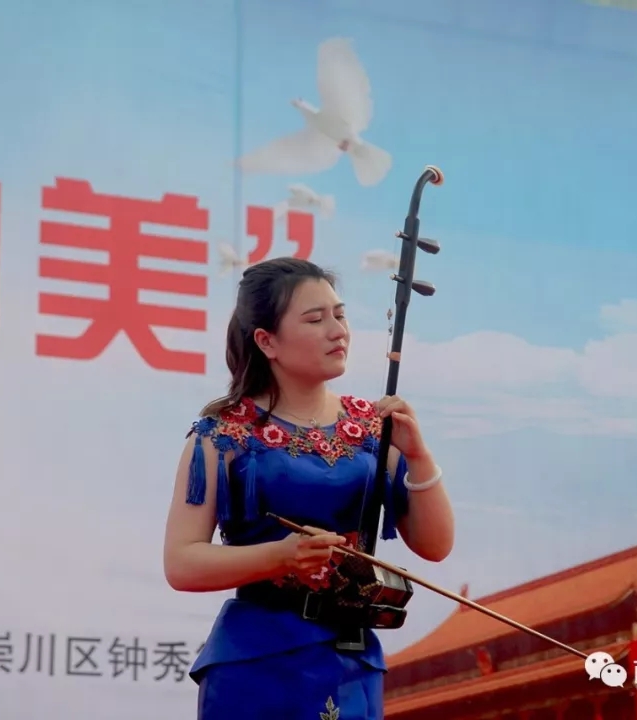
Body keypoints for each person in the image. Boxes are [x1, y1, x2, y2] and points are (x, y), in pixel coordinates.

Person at [163, 257, 455, 720]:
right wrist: (282, 556)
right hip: (257, 658)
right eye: (315, 319)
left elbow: (435, 546)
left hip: (352, 658)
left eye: (339, 315)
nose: (338, 331)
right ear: (267, 341)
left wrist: (418, 455)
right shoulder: (223, 434)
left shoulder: (374, 426)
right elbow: (182, 563)